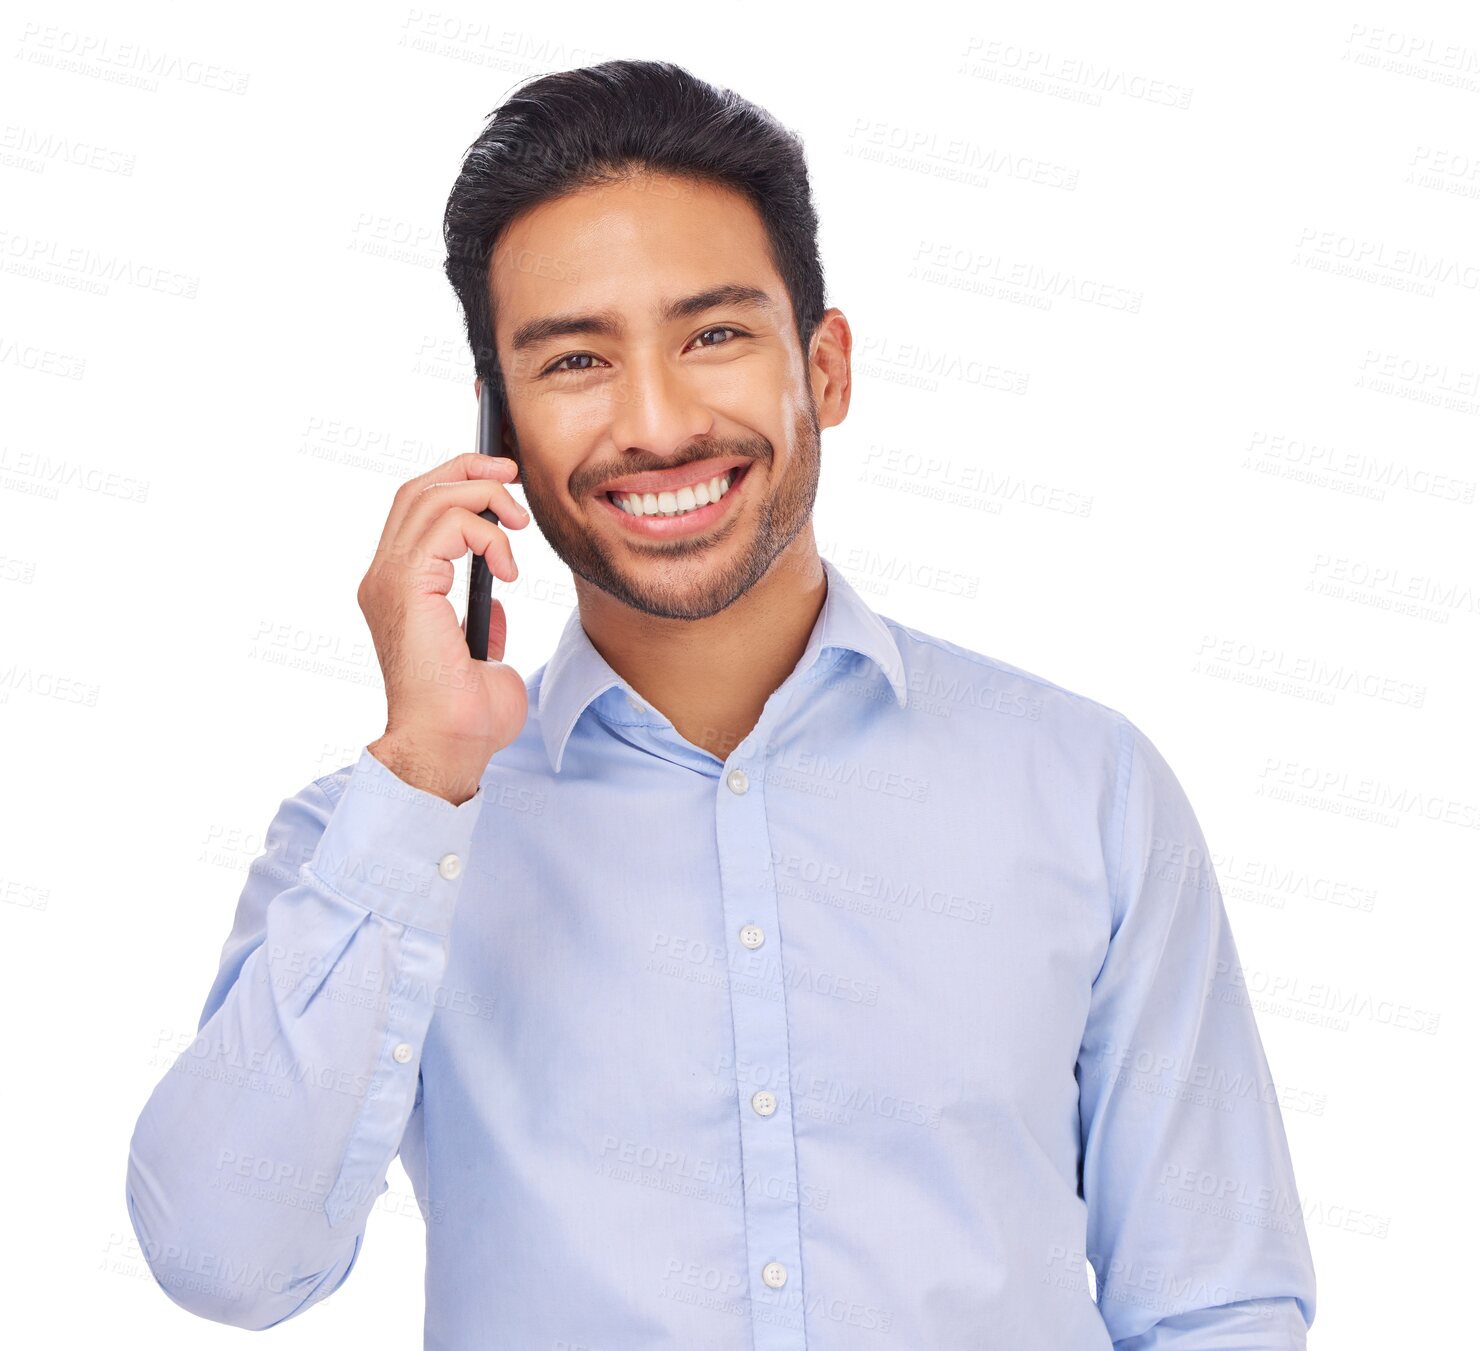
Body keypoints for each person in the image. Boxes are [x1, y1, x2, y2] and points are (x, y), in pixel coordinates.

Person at [125, 59, 1317, 1349]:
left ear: (828, 366)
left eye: (713, 335)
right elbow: (222, 1261)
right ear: (498, 427)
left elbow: (1216, 1302)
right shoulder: (385, 840)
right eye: (576, 359)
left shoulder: (1084, 789)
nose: (658, 421)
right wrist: (422, 776)